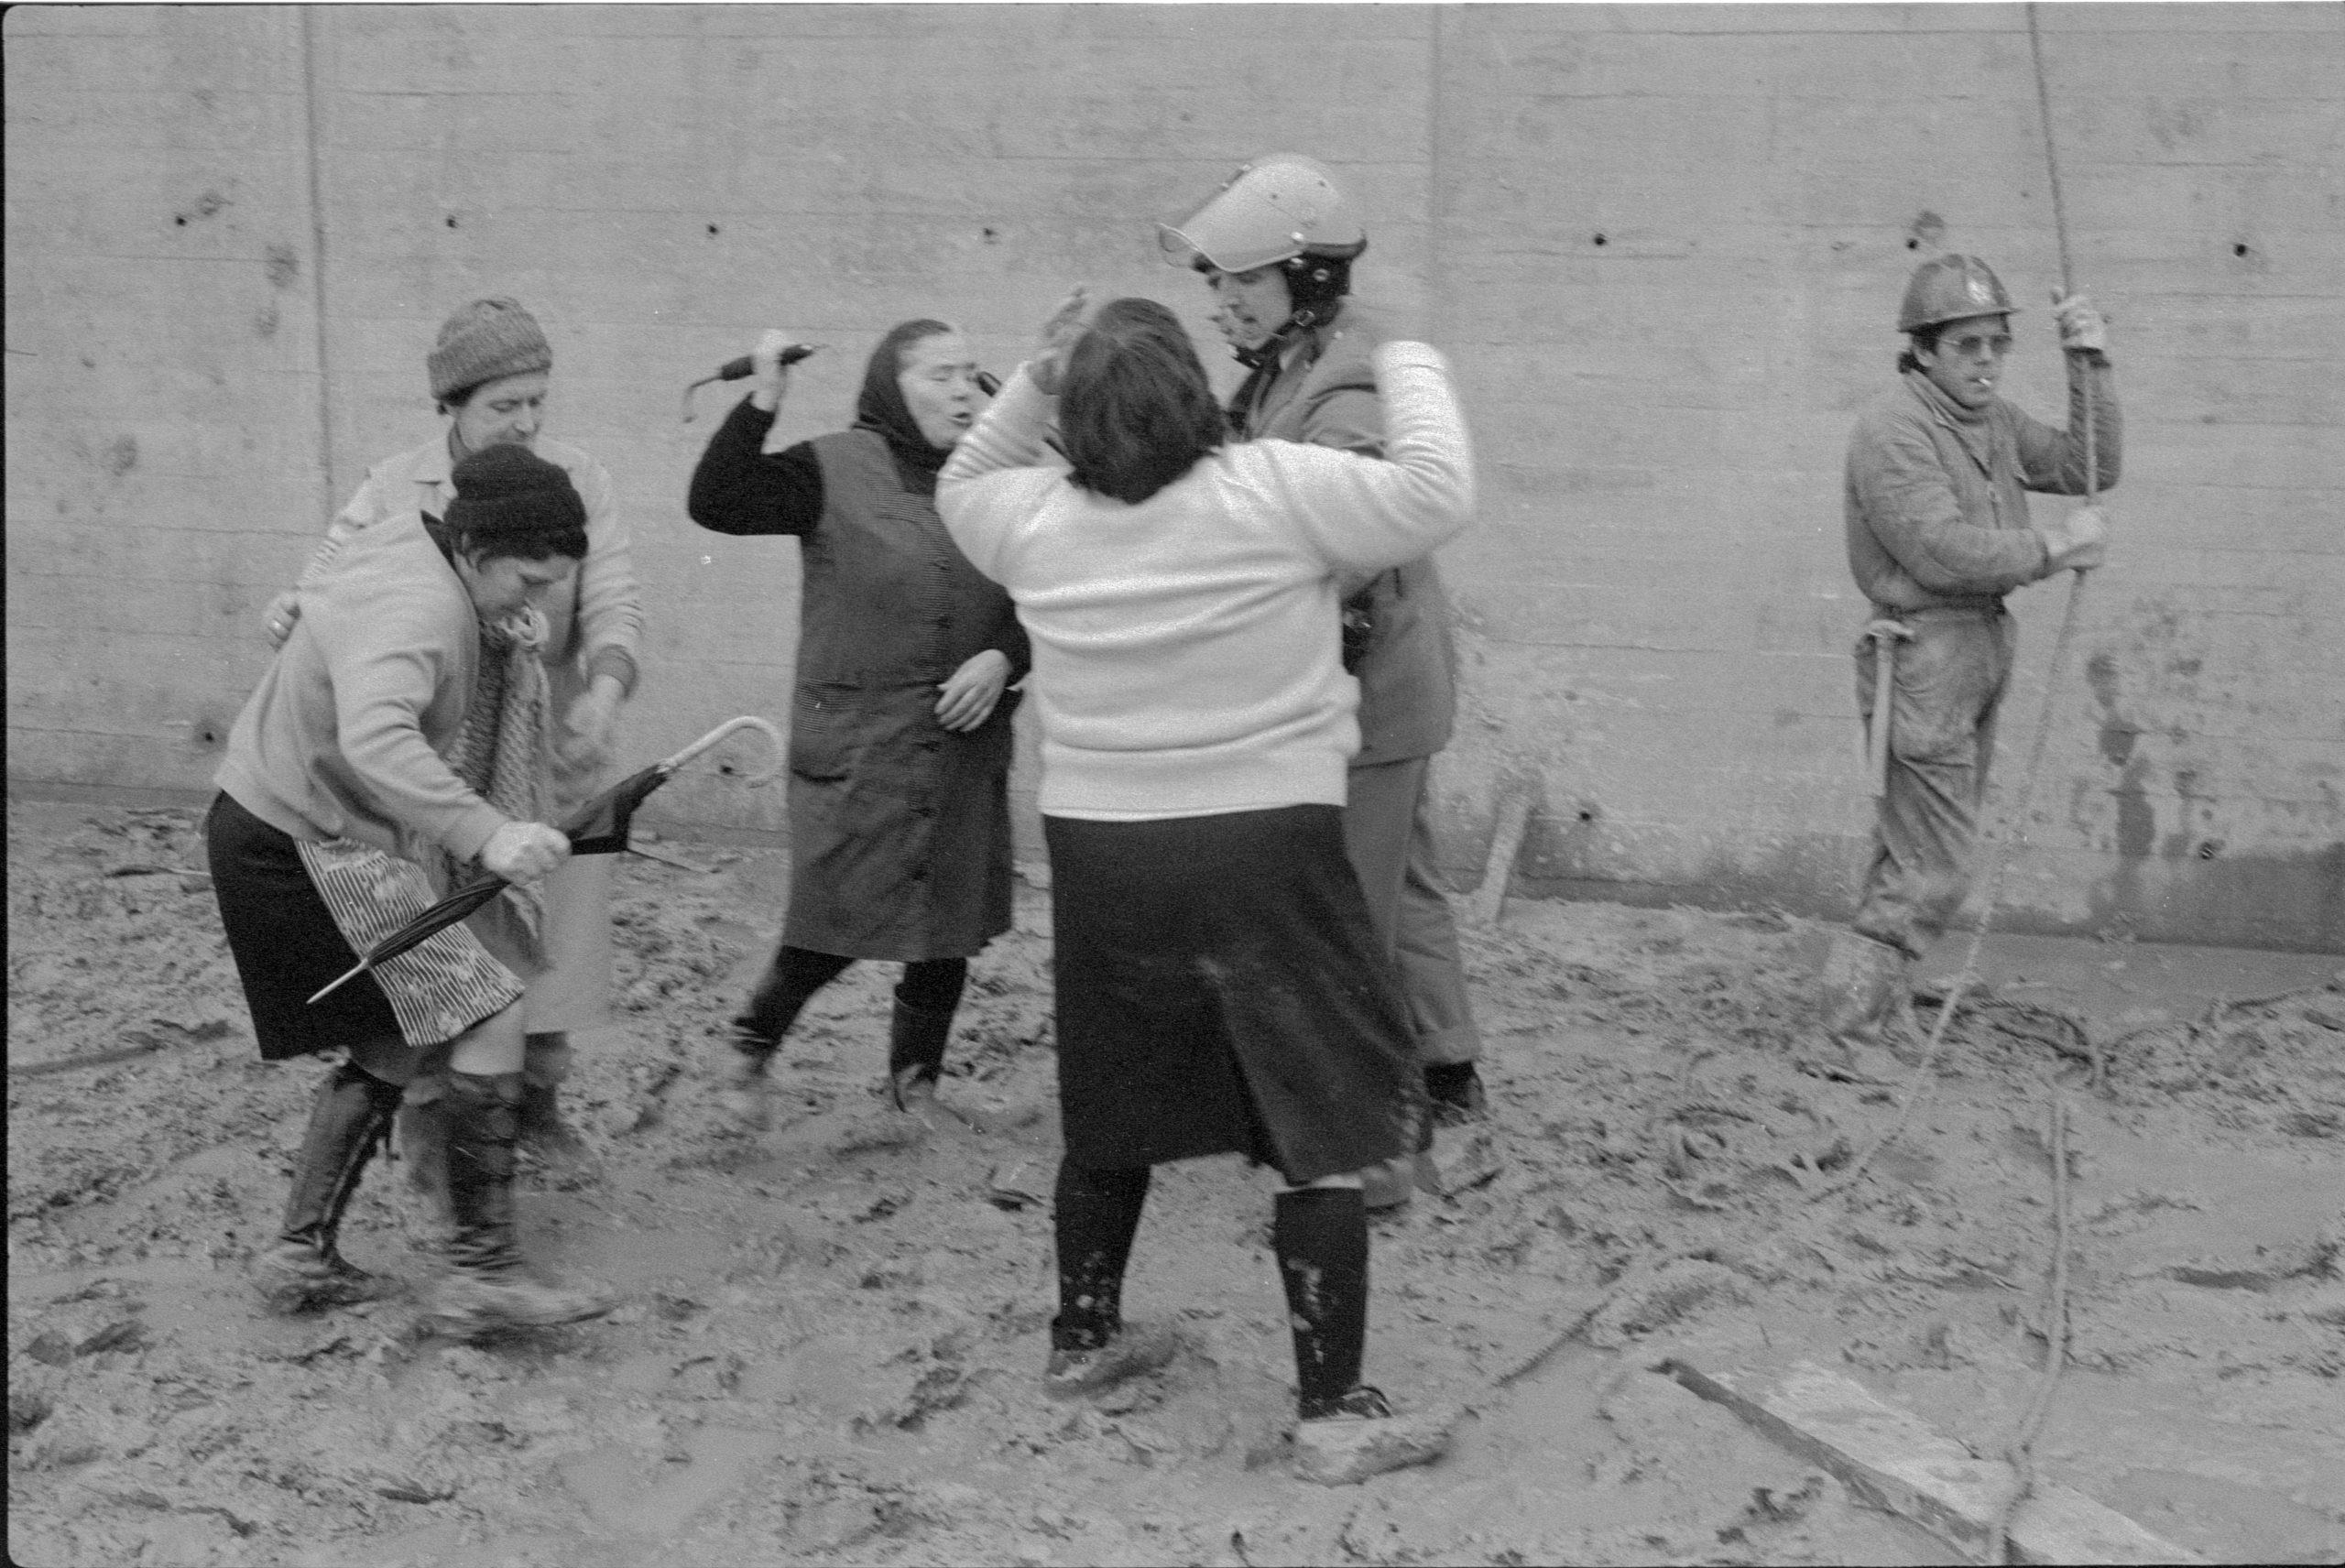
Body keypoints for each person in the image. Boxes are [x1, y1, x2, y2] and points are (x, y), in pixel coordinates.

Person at [938, 292, 1473, 1485]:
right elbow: (1438, 492)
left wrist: (1033, 371)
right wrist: (1409, 355)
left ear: (1076, 421)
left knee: (1109, 1088)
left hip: (1103, 845)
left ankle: (1083, 1334)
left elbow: (964, 479)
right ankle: (1334, 1414)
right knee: (1322, 1110)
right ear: (1193, 402)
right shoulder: (1272, 487)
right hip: (1266, 838)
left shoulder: (1031, 518)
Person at [211, 443, 619, 1336]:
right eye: (528, 579)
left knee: (412, 1026)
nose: (537, 602)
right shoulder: (420, 605)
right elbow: (380, 740)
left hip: (291, 821)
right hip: (296, 839)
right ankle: (482, 1273)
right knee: (482, 1009)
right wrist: (490, 832)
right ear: (475, 552)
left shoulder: (427, 546)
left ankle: (299, 1253)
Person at [1160, 154, 1489, 1209]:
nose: (1220, 305)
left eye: (1239, 284)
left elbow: (1339, 537)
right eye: (1213, 284)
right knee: (1409, 893)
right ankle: (1453, 1087)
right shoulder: (1289, 364)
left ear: (1304, 278)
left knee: (1346, 917)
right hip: (1384, 686)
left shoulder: (1341, 382)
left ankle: (1372, 1154)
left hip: (1363, 692)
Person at [264, 297, 643, 1177]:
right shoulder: (397, 486)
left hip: (552, 762)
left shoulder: (579, 477)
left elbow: (616, 595)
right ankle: (438, 1127)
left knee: (553, 958)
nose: (527, 421)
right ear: (453, 406)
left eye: (538, 400)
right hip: (437, 771)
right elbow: (331, 573)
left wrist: (606, 688)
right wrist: (295, 602)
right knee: (455, 961)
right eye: (504, 405)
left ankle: (539, 1105)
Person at [687, 319, 1030, 1126]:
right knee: (835, 920)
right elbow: (719, 501)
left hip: (961, 743)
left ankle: (916, 1090)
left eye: (970, 373)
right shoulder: (829, 469)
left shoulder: (997, 480)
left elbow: (1047, 588)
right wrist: (764, 399)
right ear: (890, 388)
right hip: (861, 746)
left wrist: (1005, 658)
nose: (959, 390)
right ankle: (749, 1045)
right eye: (938, 374)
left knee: (949, 928)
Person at [1820, 254, 2119, 1075]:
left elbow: (2087, 466)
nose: (1986, 360)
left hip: (1977, 646)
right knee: (1937, 864)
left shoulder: (1987, 418)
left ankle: (1878, 1011)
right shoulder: (1894, 428)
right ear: (1921, 349)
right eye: (1966, 346)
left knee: (1911, 850)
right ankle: (1846, 1036)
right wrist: (2056, 548)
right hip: (1923, 655)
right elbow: (1940, 550)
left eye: (1997, 343)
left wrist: (2087, 361)